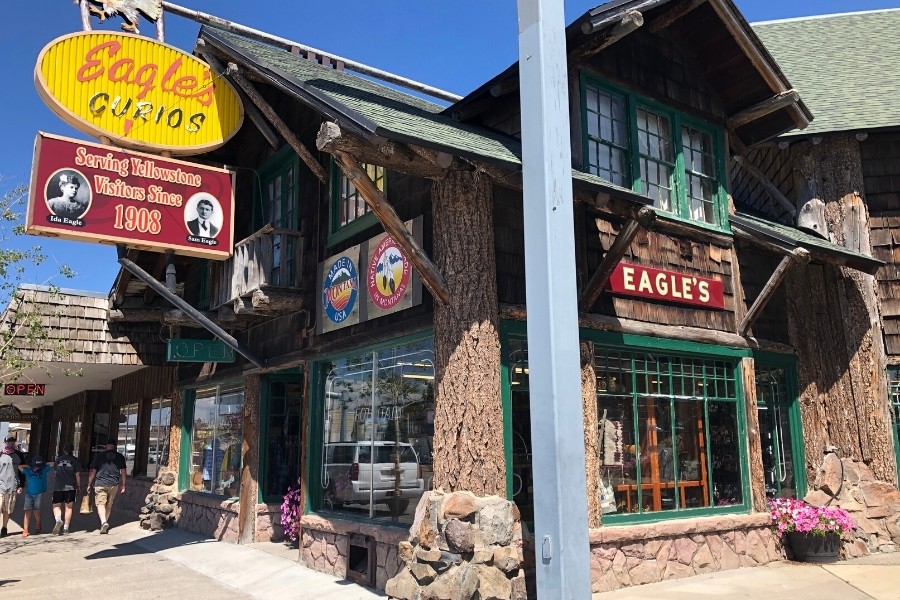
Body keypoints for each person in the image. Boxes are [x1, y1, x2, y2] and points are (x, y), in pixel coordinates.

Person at [86, 440, 126, 534]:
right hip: (114, 483)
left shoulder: (99, 456)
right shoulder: (120, 457)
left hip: (100, 482)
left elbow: (93, 471)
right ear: (115, 446)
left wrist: (88, 484)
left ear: (106, 446)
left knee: (100, 504)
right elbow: (123, 471)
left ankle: (103, 522)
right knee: (109, 504)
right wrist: (123, 484)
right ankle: (104, 522)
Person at [51, 442, 82, 535]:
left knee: (56, 505)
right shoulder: (75, 460)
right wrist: (79, 486)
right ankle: (66, 528)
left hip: (58, 486)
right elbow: (78, 475)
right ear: (72, 450)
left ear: (63, 450)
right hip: (70, 487)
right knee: (69, 508)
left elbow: (55, 472)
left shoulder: (58, 460)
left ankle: (58, 520)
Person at [18, 456, 53, 537]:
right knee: (27, 511)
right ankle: (25, 530)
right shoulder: (29, 471)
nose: (37, 467)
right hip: (29, 494)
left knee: (36, 510)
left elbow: (53, 464)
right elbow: (19, 467)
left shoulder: (44, 470)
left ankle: (38, 523)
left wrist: (44, 464)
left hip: (39, 494)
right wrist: (29, 465)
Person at [0, 436, 22, 538]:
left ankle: (4, 528)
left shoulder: (19, 455)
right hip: (1, 487)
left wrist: (21, 485)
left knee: (7, 510)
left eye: (12, 441)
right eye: (8, 441)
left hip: (12, 487)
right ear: (5, 442)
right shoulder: (0, 455)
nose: (10, 443)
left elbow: (22, 472)